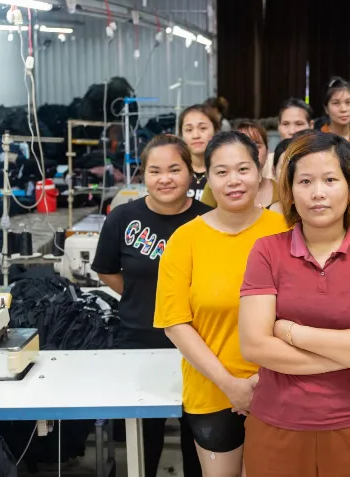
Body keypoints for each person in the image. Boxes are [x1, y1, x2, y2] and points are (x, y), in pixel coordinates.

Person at [238, 131, 350, 477]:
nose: (318, 193)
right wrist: (349, 352)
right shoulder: (266, 251)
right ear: (290, 191)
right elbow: (254, 344)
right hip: (277, 425)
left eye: (330, 179)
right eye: (305, 181)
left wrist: (291, 332)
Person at [154, 131, 287, 477]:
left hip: (283, 388)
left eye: (243, 169)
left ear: (259, 172)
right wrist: (232, 386)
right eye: (222, 172)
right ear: (208, 179)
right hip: (212, 390)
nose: (233, 181)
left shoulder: (286, 231)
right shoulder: (185, 239)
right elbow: (175, 323)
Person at [91, 135, 209, 477]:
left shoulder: (208, 220)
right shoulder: (123, 218)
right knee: (143, 443)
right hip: (139, 340)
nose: (165, 178)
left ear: (191, 173)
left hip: (201, 344)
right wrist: (147, 297)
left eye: (175, 169)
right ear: (143, 174)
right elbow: (107, 270)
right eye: (155, 170)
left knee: (199, 440)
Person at [200, 122, 279, 209]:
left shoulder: (279, 190)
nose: (234, 181)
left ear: (267, 150)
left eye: (256, 146)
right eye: (222, 172)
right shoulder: (216, 186)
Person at [179, 104, 221, 203]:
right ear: (181, 134)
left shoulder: (224, 173)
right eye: (189, 130)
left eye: (202, 128)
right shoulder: (176, 173)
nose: (196, 135)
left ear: (216, 131)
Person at [265, 99, 314, 179]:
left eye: (299, 124)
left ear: (311, 125)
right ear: (278, 126)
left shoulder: (321, 159)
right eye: (285, 124)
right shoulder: (267, 163)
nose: (292, 131)